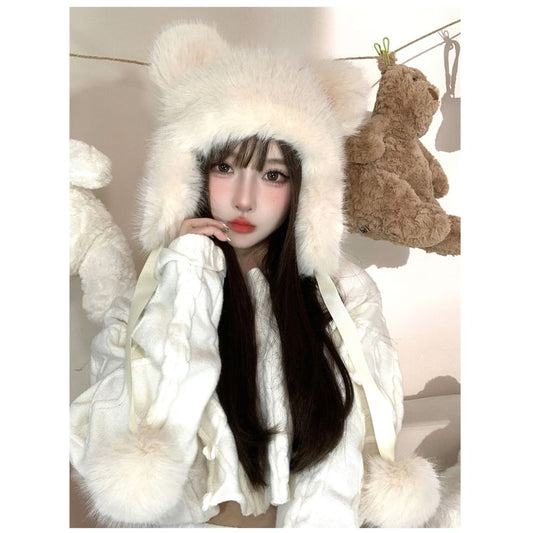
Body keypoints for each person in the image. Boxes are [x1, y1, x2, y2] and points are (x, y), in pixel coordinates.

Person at [70, 22, 438, 528]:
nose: (244, 199)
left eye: (273, 174)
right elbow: (129, 446)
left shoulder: (344, 299)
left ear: (306, 190)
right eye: (225, 167)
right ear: (190, 172)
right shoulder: (151, 297)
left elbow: (355, 447)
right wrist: (188, 274)